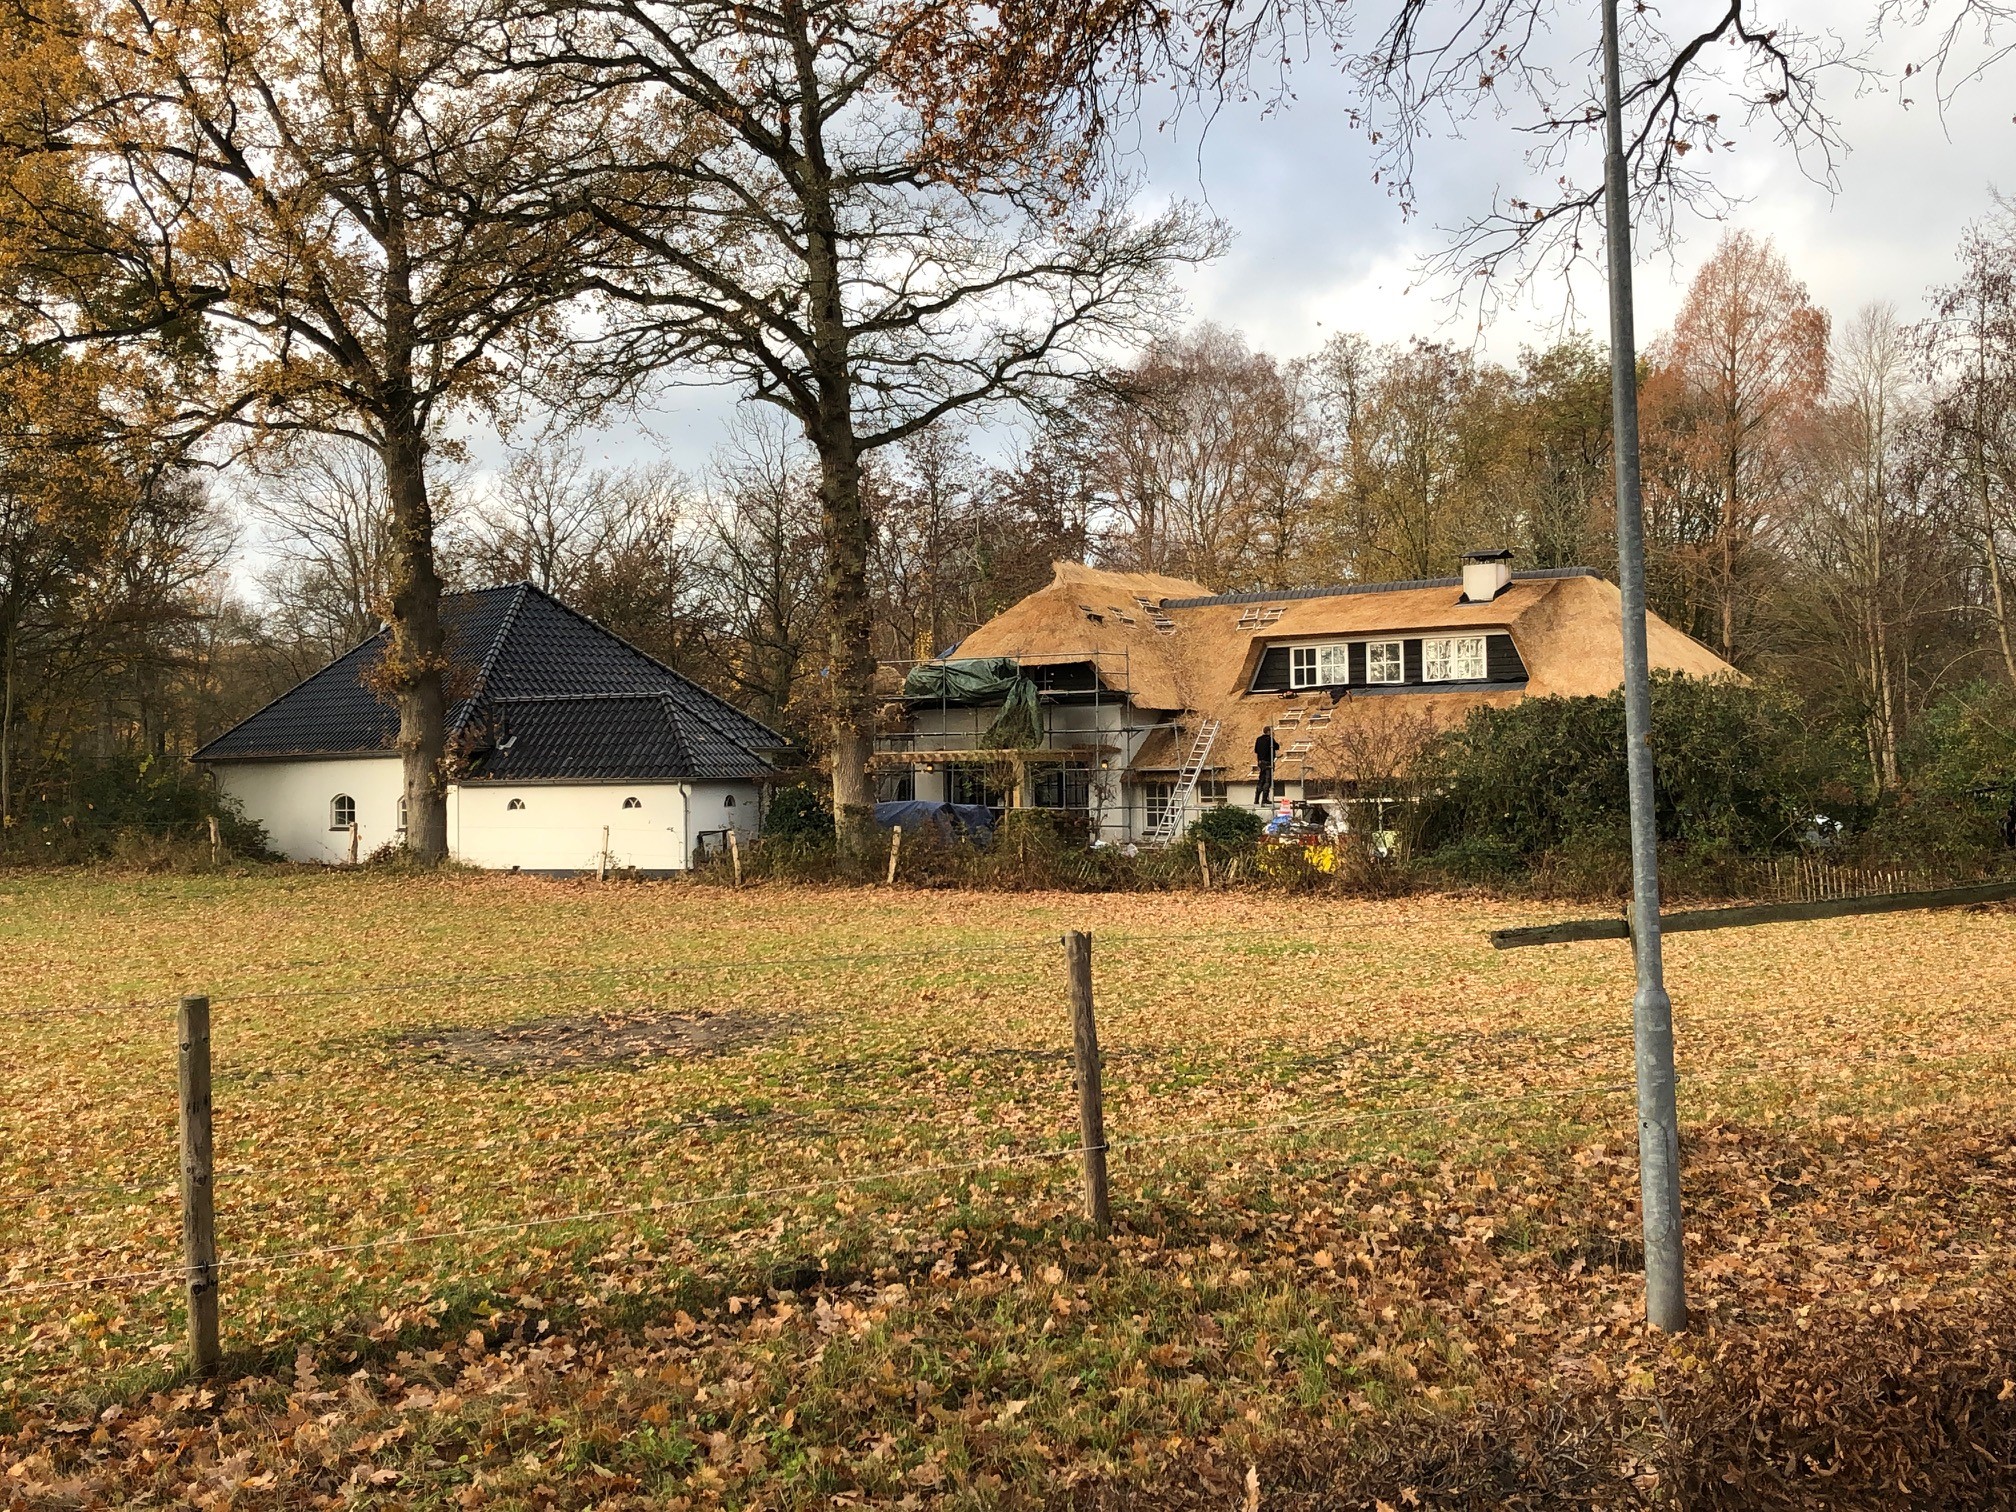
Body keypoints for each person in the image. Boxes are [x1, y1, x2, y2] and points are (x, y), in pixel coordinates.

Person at [1253, 726, 1278, 805]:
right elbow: (1277, 747)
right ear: (1268, 731)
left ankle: (1256, 799)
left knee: (1261, 780)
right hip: (1268, 763)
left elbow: (1256, 750)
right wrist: (1272, 738)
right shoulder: (1270, 740)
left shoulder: (1258, 739)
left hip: (1261, 763)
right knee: (1267, 781)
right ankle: (1264, 799)